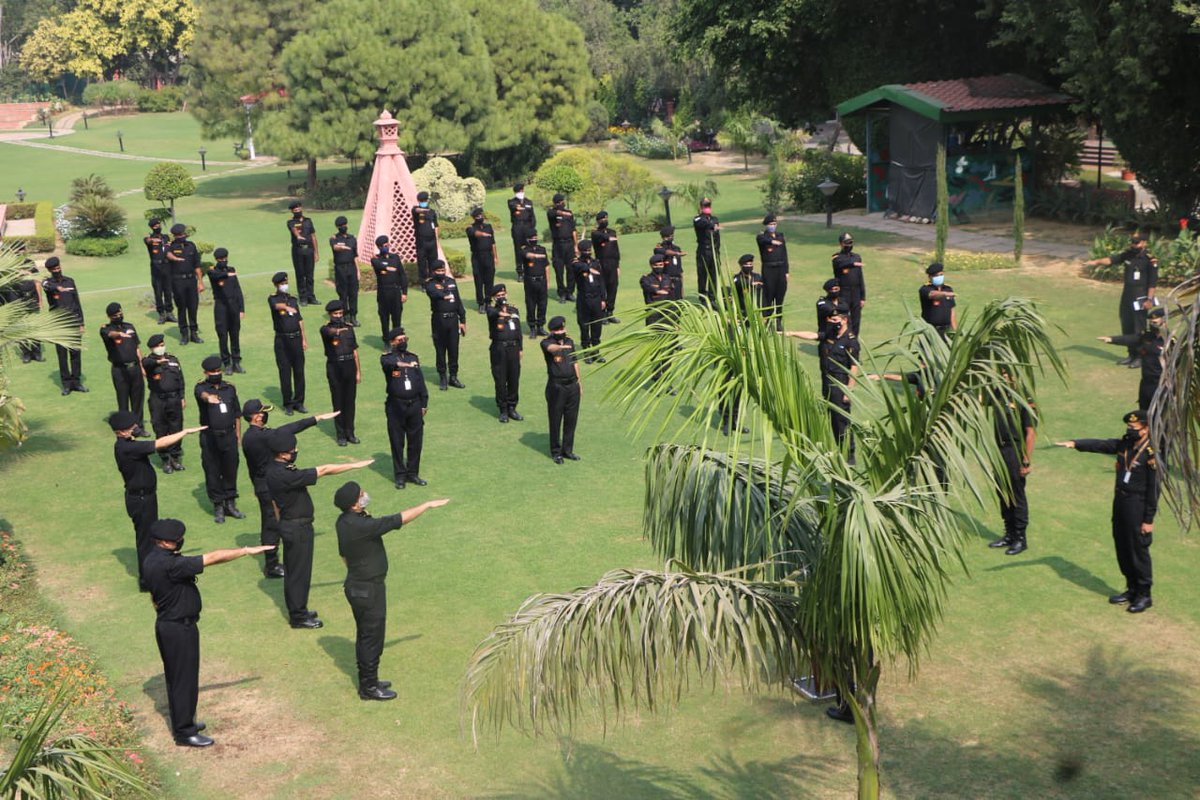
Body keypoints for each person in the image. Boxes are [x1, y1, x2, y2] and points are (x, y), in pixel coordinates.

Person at [143, 518, 273, 747]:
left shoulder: (151, 558)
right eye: (176, 540)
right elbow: (212, 557)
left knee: (178, 678)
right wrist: (245, 550)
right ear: (163, 542)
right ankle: (184, 732)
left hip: (168, 624)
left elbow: (154, 598)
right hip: (179, 628)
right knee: (184, 680)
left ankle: (184, 722)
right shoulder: (172, 565)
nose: (180, 542)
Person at [333, 483, 449, 700]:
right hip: (368, 589)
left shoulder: (344, 522)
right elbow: (398, 519)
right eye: (361, 494)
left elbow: (344, 556)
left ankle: (370, 680)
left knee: (367, 635)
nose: (365, 495)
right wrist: (427, 505)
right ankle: (368, 688)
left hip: (358, 585)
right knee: (371, 638)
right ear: (354, 504)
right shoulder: (361, 526)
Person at [1055, 410, 1161, 613]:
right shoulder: (1126, 444)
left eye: (1134, 428)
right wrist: (1076, 443)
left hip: (1137, 504)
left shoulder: (1152, 453)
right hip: (1120, 501)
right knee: (1121, 544)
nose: (1130, 431)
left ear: (1146, 429)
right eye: (1129, 427)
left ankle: (1144, 594)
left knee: (1137, 549)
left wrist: (1148, 519)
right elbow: (1101, 445)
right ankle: (1131, 589)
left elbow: (1154, 490)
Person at [265, 430, 372, 628]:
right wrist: (353, 465)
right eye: (292, 449)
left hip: (290, 525)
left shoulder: (274, 469)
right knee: (299, 574)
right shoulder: (284, 474)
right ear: (281, 453)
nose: (295, 450)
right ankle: (298, 616)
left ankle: (300, 609)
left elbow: (275, 504)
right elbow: (322, 470)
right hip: (298, 528)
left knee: (294, 571)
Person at [241, 399, 338, 578]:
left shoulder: (252, 435)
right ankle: (271, 566)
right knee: (271, 525)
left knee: (274, 521)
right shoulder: (260, 436)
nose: (265, 414)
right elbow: (287, 430)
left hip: (264, 483)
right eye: (262, 412)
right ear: (256, 416)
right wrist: (315, 419)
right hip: (268, 485)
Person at [110, 411, 204, 590]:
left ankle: (151, 576)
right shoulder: (126, 448)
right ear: (121, 432)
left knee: (149, 537)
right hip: (141, 499)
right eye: (131, 427)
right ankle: (148, 581)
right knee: (146, 540)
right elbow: (160, 443)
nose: (135, 428)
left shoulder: (128, 444)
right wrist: (184, 432)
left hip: (144, 497)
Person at [1086, 233, 1158, 366]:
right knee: (1127, 324)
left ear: (1144, 243)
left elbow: (1152, 282)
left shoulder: (1150, 260)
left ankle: (1140, 357)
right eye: (1132, 242)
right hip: (1127, 295)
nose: (1133, 245)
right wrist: (1096, 262)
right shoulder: (1128, 254)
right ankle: (1131, 354)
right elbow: (1112, 259)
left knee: (1139, 328)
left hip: (1141, 296)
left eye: (1136, 243)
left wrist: (1149, 299)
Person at [195, 355, 244, 524]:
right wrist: (210, 398)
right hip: (210, 437)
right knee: (212, 471)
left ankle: (230, 503)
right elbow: (202, 395)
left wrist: (238, 434)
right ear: (205, 372)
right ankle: (218, 506)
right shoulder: (201, 387)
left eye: (218, 371)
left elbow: (237, 413)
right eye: (213, 371)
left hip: (229, 436)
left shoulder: (230, 388)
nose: (216, 374)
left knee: (231, 469)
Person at [989, 394, 1036, 555]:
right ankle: (1009, 534)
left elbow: (1030, 432)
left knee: (1016, 495)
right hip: (999, 449)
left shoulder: (1024, 398)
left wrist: (1026, 460)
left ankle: (1020, 539)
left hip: (1014, 450)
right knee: (1002, 492)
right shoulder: (998, 393)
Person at [381, 327, 429, 488]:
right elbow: (391, 364)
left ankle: (413, 473)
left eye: (405, 339)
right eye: (400, 340)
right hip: (396, 405)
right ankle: (400, 476)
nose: (403, 343)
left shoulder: (413, 357)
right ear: (392, 342)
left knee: (416, 441)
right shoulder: (387, 358)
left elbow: (420, 380)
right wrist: (407, 365)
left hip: (414, 404)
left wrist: (424, 402)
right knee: (397, 441)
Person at [1098, 306, 1169, 410]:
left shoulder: (1170, 342)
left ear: (1164, 321)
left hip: (1160, 384)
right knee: (1143, 411)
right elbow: (1131, 339)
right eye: (1151, 322)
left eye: (1155, 322)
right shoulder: (1147, 336)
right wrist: (1112, 339)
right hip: (1145, 382)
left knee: (1159, 413)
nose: (1152, 325)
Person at [100, 302, 146, 434]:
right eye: (116, 315)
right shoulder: (106, 329)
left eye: (120, 314)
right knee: (123, 400)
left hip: (135, 368)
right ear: (110, 316)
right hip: (119, 370)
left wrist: (142, 366)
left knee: (138, 399)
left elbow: (137, 348)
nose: (119, 316)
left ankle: (139, 427)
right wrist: (119, 335)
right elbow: (110, 335)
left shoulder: (130, 326)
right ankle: (126, 429)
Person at [142, 334, 187, 473]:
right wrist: (158, 362)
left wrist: (182, 397)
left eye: (162, 345)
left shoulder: (173, 359)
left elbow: (180, 379)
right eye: (158, 346)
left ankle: (174, 457)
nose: (161, 348)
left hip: (174, 399)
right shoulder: (148, 361)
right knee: (160, 428)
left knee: (176, 427)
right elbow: (146, 365)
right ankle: (165, 459)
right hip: (158, 400)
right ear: (152, 348)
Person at [42, 257, 86, 394]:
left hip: (73, 322)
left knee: (75, 353)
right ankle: (66, 384)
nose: (57, 270)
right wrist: (58, 288)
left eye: (58, 267)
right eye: (53, 269)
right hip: (59, 324)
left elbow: (77, 302)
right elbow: (44, 284)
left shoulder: (70, 281)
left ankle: (76, 382)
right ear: (49, 270)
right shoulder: (48, 283)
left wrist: (81, 323)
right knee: (62, 355)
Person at [320, 300, 361, 446]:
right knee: (338, 401)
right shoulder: (325, 329)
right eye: (336, 314)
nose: (339, 316)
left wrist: (358, 372)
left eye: (340, 313)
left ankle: (350, 432)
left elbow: (355, 351)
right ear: (330, 315)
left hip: (349, 365)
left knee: (350, 401)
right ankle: (341, 434)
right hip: (335, 366)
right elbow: (329, 333)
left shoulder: (349, 328)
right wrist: (337, 331)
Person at [542, 316, 582, 464]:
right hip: (556, 387)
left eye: (563, 328)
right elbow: (551, 349)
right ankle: (556, 451)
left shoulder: (570, 342)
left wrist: (579, 382)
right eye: (559, 329)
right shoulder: (546, 342)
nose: (562, 331)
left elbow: (575, 362)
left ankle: (567, 450)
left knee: (571, 419)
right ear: (553, 331)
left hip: (572, 386)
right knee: (555, 419)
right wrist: (560, 347)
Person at [268, 271, 308, 415]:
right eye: (282, 284)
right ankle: (288, 404)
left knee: (299, 372)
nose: (285, 286)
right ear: (276, 285)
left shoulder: (292, 299)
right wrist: (285, 307)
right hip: (282, 340)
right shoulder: (273, 299)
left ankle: (299, 402)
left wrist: (304, 338)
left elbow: (300, 320)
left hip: (296, 339)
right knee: (285, 372)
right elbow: (276, 307)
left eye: (286, 283)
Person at [424, 260, 467, 391]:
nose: (441, 273)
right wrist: (444, 295)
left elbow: (458, 301)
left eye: (443, 270)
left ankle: (453, 376)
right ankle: (443, 376)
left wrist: (463, 320)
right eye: (438, 271)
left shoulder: (451, 282)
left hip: (453, 319)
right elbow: (434, 294)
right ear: (433, 272)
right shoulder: (430, 284)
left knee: (454, 349)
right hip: (439, 319)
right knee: (440, 349)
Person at [486, 284, 523, 423]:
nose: (502, 297)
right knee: (500, 380)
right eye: (498, 296)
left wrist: (520, 348)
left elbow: (518, 331)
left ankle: (512, 407)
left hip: (513, 348)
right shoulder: (492, 310)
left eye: (503, 294)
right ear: (494, 298)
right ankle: (503, 409)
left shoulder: (514, 310)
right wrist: (501, 312)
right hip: (499, 349)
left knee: (514, 378)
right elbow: (491, 312)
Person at [208, 248, 245, 374]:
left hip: (233, 305)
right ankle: (227, 363)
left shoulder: (231, 269)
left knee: (235, 334)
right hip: (221, 306)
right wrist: (227, 275)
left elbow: (237, 290)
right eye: (221, 259)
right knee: (222, 335)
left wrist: (241, 309)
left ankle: (236, 362)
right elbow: (215, 276)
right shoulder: (213, 271)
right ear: (216, 260)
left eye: (225, 259)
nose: (224, 261)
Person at [165, 223, 203, 345]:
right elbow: (167, 254)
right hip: (178, 281)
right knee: (181, 308)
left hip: (191, 281)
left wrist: (200, 282)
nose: (181, 236)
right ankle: (184, 334)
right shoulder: (170, 246)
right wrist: (176, 258)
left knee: (193, 307)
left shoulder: (191, 246)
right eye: (179, 235)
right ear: (175, 235)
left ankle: (194, 333)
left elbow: (197, 265)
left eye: (182, 234)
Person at [572, 240, 607, 360]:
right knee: (584, 326)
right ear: (581, 251)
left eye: (589, 250)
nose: (588, 252)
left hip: (596, 298)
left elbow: (601, 281)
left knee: (597, 325)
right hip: (584, 299)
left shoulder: (596, 262)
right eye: (585, 251)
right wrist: (589, 269)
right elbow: (579, 267)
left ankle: (596, 351)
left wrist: (603, 299)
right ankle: (587, 351)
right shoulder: (576, 263)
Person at [371, 235, 408, 342]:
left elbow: (402, 275)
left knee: (397, 317)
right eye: (384, 246)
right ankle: (387, 341)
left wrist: (404, 292)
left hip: (396, 291)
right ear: (379, 247)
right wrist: (387, 268)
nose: (386, 247)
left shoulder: (395, 257)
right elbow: (377, 264)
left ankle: (397, 340)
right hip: (383, 293)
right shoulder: (376, 259)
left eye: (387, 245)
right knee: (384, 318)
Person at [756, 214, 789, 330]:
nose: (773, 226)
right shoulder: (762, 237)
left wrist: (787, 271)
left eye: (774, 224)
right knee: (769, 296)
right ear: (766, 225)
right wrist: (772, 242)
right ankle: (767, 321)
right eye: (770, 224)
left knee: (780, 296)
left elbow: (785, 254)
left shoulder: (780, 236)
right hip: (769, 269)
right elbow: (763, 240)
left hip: (780, 269)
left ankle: (778, 321)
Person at [832, 232, 866, 336]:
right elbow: (840, 264)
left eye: (851, 243)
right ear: (841, 244)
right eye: (847, 243)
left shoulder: (857, 257)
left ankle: (853, 341)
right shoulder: (837, 257)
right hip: (843, 292)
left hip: (856, 292)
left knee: (856, 319)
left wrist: (863, 297)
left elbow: (860, 278)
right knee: (843, 318)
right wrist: (853, 264)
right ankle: (842, 340)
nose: (849, 245)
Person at [286, 200, 319, 305]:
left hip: (309, 250)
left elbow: (313, 237)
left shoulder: (308, 221)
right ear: (292, 211)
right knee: (300, 274)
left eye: (299, 209)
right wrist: (298, 236)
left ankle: (311, 297)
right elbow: (294, 230)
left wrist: (316, 252)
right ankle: (303, 298)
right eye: (295, 210)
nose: (298, 211)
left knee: (310, 275)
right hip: (298, 250)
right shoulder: (291, 222)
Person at [466, 206, 498, 313]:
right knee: (478, 280)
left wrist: (495, 256)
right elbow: (474, 234)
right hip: (477, 257)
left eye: (481, 215)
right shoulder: (470, 228)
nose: (480, 217)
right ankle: (481, 303)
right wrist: (483, 234)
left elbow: (493, 243)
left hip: (488, 256)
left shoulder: (488, 227)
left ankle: (488, 301)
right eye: (477, 216)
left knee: (489, 279)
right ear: (474, 217)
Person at [590, 210, 620, 323]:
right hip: (601, 263)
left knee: (613, 287)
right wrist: (608, 238)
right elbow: (601, 236)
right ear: (598, 221)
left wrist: (617, 265)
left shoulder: (612, 232)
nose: (605, 221)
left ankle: (610, 311)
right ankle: (601, 314)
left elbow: (616, 250)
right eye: (602, 219)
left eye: (606, 218)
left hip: (612, 263)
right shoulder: (595, 233)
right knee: (602, 288)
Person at [330, 216, 361, 326]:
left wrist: (358, 271)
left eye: (344, 225)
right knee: (343, 293)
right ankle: (344, 316)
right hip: (340, 268)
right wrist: (342, 247)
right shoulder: (334, 238)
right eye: (341, 226)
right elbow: (335, 248)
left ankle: (353, 316)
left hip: (351, 267)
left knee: (353, 293)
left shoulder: (352, 238)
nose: (343, 227)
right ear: (337, 227)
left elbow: (355, 256)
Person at [547, 193, 578, 302]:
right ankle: (562, 293)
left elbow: (573, 230)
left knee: (571, 269)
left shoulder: (570, 213)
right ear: (555, 203)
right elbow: (554, 213)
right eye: (559, 202)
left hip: (569, 244)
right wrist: (563, 212)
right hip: (558, 245)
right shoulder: (551, 212)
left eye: (562, 202)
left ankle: (570, 292)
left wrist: (576, 246)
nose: (561, 204)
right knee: (559, 270)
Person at [144, 219, 175, 324]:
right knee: (158, 292)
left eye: (159, 225)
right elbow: (148, 241)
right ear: (152, 227)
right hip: (156, 267)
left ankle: (169, 313)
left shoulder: (166, 237)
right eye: (155, 226)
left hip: (167, 266)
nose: (158, 227)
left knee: (168, 291)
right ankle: (161, 314)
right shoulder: (148, 238)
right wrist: (153, 240)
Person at [520, 232, 550, 337]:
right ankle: (532, 327)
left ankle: (540, 326)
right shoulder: (524, 249)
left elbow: (546, 266)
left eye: (536, 237)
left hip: (542, 280)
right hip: (530, 281)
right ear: (528, 239)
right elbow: (527, 255)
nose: (534, 239)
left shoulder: (542, 249)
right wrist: (538, 256)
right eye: (532, 237)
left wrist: (548, 281)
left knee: (543, 304)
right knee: (531, 304)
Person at [693, 197, 721, 302]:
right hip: (704, 250)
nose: (707, 208)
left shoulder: (715, 219)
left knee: (714, 275)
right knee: (702, 275)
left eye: (708, 206)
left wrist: (718, 250)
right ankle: (703, 298)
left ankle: (712, 297)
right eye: (705, 206)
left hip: (714, 250)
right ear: (701, 207)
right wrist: (712, 225)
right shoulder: (698, 219)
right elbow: (702, 223)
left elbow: (717, 236)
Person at [919, 263, 956, 337]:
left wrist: (955, 330)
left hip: (946, 330)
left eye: (941, 275)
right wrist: (945, 294)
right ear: (930, 277)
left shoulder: (948, 289)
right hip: (931, 330)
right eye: (936, 276)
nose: (939, 277)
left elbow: (952, 311)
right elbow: (932, 294)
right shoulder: (925, 289)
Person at [507, 183, 536, 279]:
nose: (521, 192)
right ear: (515, 192)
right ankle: (520, 272)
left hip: (528, 226)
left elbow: (532, 216)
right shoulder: (512, 202)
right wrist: (520, 206)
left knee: (529, 248)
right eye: (519, 191)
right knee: (518, 250)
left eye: (522, 190)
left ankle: (530, 269)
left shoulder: (529, 202)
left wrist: (532, 228)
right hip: (517, 227)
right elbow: (513, 207)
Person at [411, 191, 440, 283]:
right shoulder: (416, 209)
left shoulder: (432, 212)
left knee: (433, 261)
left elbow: (435, 226)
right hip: (421, 242)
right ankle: (424, 282)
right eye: (422, 200)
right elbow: (416, 210)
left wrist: (437, 239)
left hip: (432, 241)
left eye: (425, 200)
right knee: (422, 263)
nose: (424, 202)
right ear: (419, 201)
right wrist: (423, 210)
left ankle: (434, 280)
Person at [658, 225, 686, 299]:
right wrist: (678, 254)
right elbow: (665, 252)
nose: (672, 237)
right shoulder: (659, 248)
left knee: (679, 301)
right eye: (670, 235)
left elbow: (679, 268)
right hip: (666, 280)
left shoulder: (676, 248)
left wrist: (682, 287)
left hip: (677, 279)